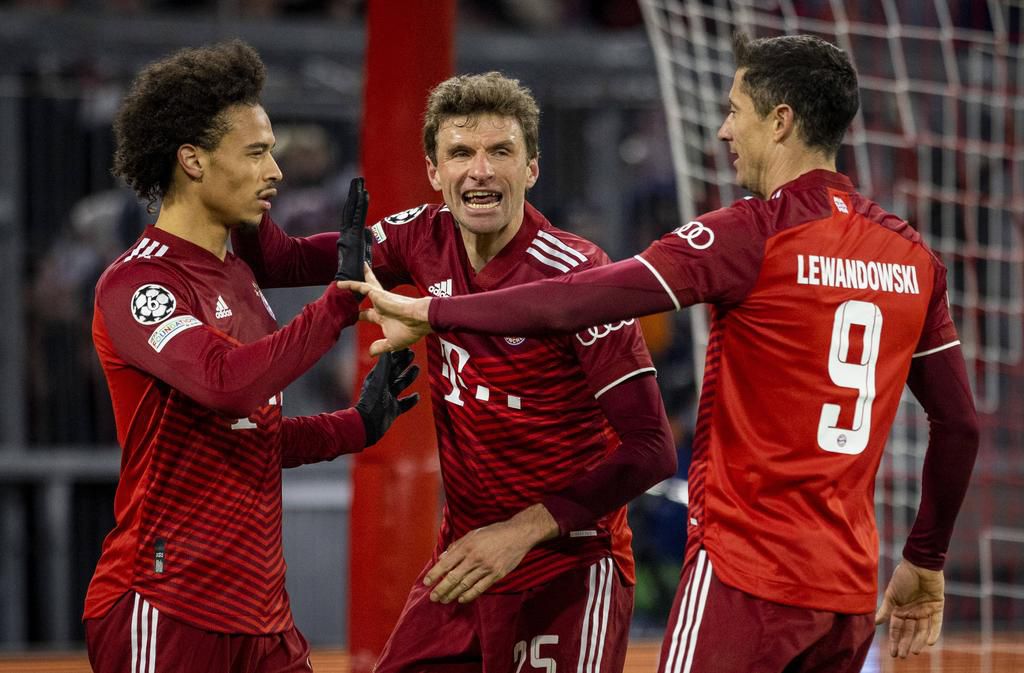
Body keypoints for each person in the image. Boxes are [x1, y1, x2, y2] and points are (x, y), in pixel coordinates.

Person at [344, 34, 981, 673]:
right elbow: (959, 426)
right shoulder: (911, 254)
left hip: (743, 574)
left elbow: (575, 302)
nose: (727, 130)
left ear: (780, 120)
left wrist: (432, 312)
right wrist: (925, 558)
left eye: (737, 110)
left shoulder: (749, 235)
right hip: (845, 592)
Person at [232, 71, 677, 672]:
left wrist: (519, 533)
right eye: (461, 153)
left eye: (501, 153)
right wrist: (238, 181)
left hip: (569, 563)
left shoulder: (578, 275)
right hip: (466, 562)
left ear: (532, 169)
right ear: (435, 172)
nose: (481, 171)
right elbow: (281, 262)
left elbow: (651, 450)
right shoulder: (420, 235)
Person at [83, 40, 419, 673]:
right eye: (258, 152)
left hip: (261, 615)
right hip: (167, 605)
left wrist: (356, 426)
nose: (277, 171)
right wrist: (340, 304)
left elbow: (245, 434)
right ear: (193, 161)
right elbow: (225, 383)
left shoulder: (240, 272)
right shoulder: (138, 286)